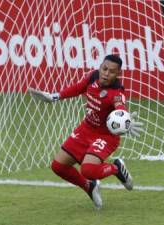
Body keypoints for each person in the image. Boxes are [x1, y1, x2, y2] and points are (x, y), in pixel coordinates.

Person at [28, 54, 143, 209]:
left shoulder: (117, 93)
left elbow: (120, 108)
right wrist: (54, 96)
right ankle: (89, 186)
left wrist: (125, 121)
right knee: (58, 166)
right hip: (86, 129)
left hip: (106, 136)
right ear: (100, 66)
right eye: (104, 68)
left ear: (118, 74)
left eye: (112, 72)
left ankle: (116, 168)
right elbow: (77, 88)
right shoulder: (92, 77)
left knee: (88, 170)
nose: (106, 73)